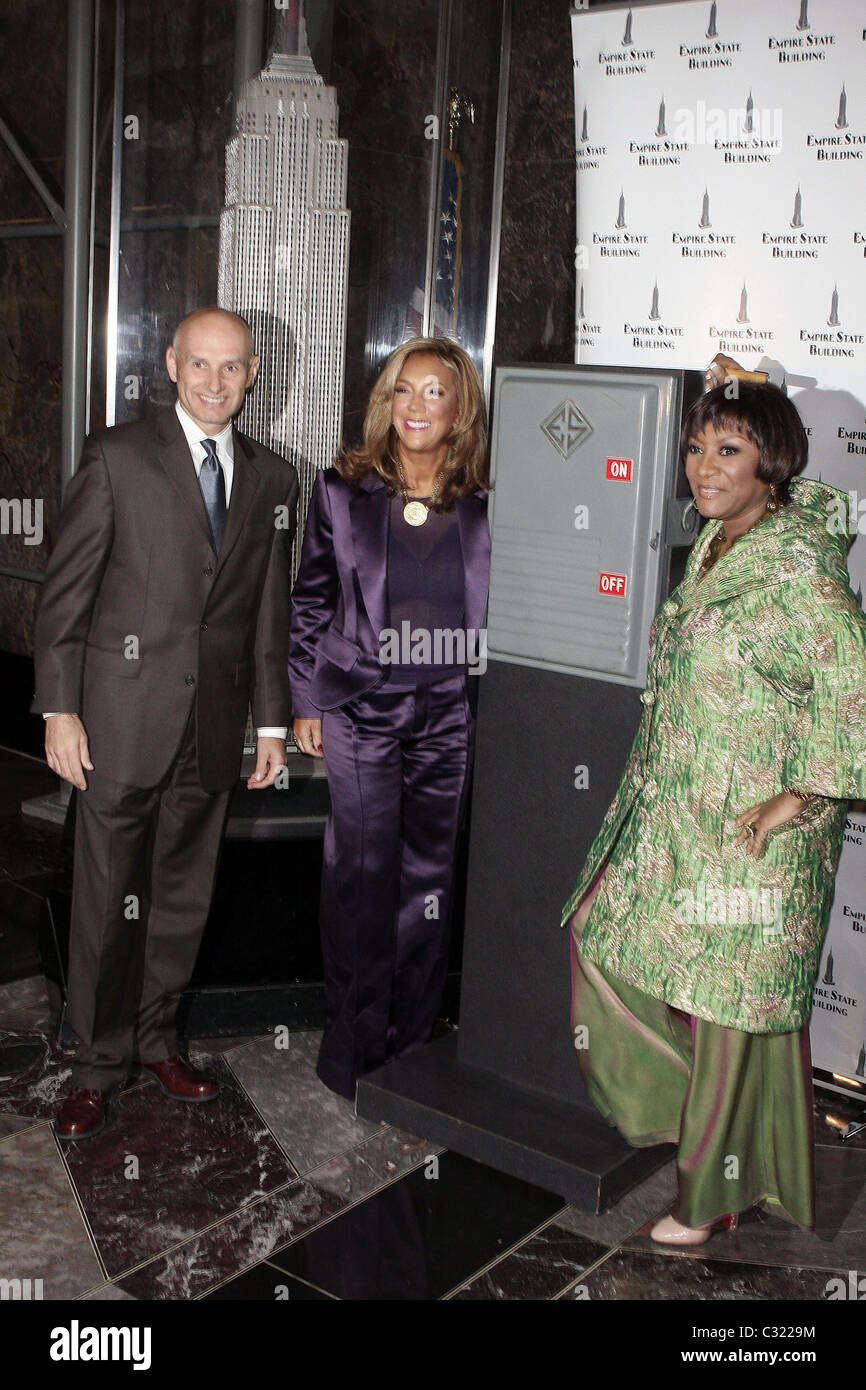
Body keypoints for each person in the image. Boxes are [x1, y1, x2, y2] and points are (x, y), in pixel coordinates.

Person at [563, 365, 866, 1243]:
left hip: (754, 833)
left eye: (728, 450)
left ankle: (710, 1195)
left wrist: (797, 797)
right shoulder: (717, 541)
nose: (703, 466)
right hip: (681, 815)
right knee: (599, 934)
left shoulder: (796, 567)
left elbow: (852, 688)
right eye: (696, 448)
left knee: (732, 1012)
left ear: (769, 465)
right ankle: (709, 1121)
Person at [33, 308, 299, 1140]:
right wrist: (60, 709)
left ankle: (157, 1041)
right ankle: (96, 1062)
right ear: (171, 365)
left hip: (214, 727)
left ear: (252, 375)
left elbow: (267, 612)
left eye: (232, 368)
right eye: (200, 365)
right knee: (107, 896)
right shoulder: (117, 456)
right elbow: (64, 595)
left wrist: (270, 727)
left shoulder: (273, 478)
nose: (214, 382)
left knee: (181, 896)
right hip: (118, 720)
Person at [289, 336, 490, 1100]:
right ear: (386, 402)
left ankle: (412, 1050)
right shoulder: (342, 490)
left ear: (460, 407)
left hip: (447, 710)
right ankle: (353, 1051)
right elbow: (310, 599)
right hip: (360, 707)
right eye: (403, 391)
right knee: (362, 880)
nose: (416, 407)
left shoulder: (483, 501)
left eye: (435, 392)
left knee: (429, 882)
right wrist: (306, 697)